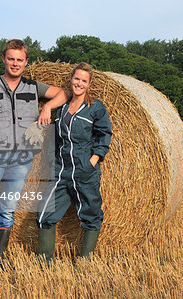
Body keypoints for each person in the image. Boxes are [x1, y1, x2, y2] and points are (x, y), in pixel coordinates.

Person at [0, 39, 67, 266]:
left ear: (26, 62)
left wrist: (47, 106)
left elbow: (65, 92)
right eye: (11, 59)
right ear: (3, 59)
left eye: (19, 60)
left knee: (7, 211)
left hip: (22, 158)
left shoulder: (33, 87)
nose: (15, 64)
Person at [36, 62, 112, 263]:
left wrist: (92, 161)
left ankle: (84, 263)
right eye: (76, 78)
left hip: (84, 171)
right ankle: (44, 265)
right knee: (44, 213)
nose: (79, 83)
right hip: (61, 170)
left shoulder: (95, 108)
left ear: (89, 84)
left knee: (91, 215)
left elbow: (104, 135)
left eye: (84, 80)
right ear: (71, 79)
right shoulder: (61, 107)